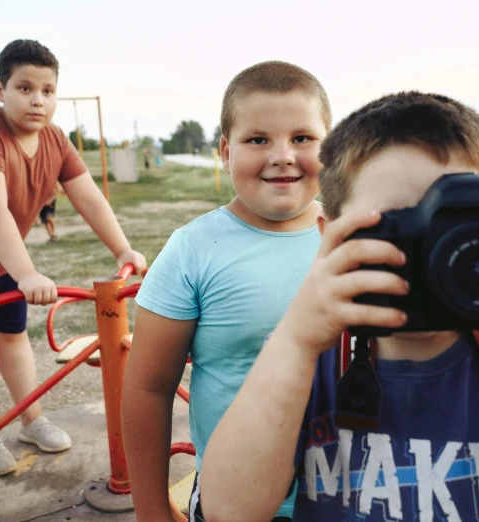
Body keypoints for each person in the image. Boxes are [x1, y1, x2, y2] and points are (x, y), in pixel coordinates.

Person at [199, 92, 479, 521]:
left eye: (459, 226)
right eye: (399, 228)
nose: (432, 256)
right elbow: (230, 512)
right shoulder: (306, 365)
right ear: (328, 238)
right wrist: (295, 344)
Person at [0, 39, 147, 478]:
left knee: (12, 336)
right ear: (1, 89)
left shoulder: (55, 139)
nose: (38, 100)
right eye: (25, 88)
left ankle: (33, 420)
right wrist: (27, 272)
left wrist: (122, 247)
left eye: (48, 91)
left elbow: (88, 196)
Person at [121, 61, 332, 522]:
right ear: (225, 152)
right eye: (258, 139)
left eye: (302, 138)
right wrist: (152, 511)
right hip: (236, 505)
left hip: (362, 497)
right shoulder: (192, 250)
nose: (282, 155)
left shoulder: (359, 235)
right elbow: (148, 388)